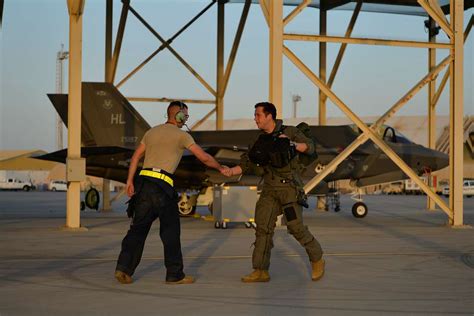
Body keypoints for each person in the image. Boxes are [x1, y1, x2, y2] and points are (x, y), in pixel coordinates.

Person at [115, 101, 227, 285]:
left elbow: (135, 157)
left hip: (144, 184)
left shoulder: (151, 132)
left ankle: (123, 268)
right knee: (170, 233)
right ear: (179, 116)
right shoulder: (182, 136)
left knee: (137, 229)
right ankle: (174, 274)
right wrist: (220, 167)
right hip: (162, 187)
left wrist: (129, 181)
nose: (186, 119)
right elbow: (204, 158)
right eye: (186, 116)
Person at [222, 102, 324, 282]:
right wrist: (231, 171)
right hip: (269, 189)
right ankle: (260, 270)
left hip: (289, 189)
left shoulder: (290, 131)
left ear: (270, 116)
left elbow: (310, 147)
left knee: (295, 227)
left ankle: (317, 258)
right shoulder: (258, 140)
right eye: (255, 115)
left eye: (258, 115)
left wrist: (291, 144)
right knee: (263, 228)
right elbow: (247, 164)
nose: (255, 119)